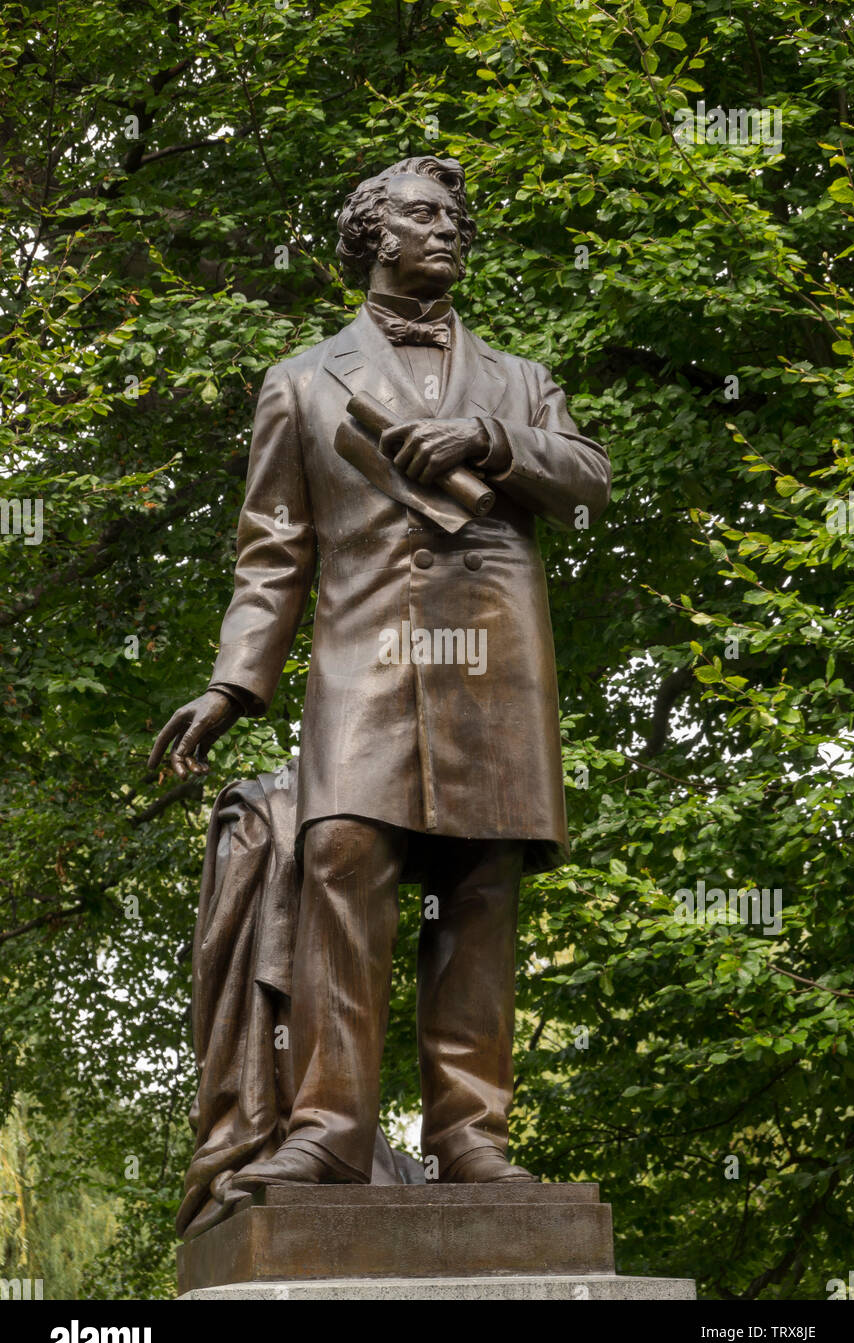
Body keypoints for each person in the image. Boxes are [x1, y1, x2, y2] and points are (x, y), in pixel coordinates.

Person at [149, 156, 611, 1186]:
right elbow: (272, 548)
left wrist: (491, 440)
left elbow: (587, 488)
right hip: (362, 659)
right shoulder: (302, 381)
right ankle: (327, 1129)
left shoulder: (519, 382)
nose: (446, 227)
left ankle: (469, 1136)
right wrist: (233, 684)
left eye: (453, 216)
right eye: (422, 213)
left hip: (496, 663)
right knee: (343, 859)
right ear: (371, 235)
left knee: (481, 885)